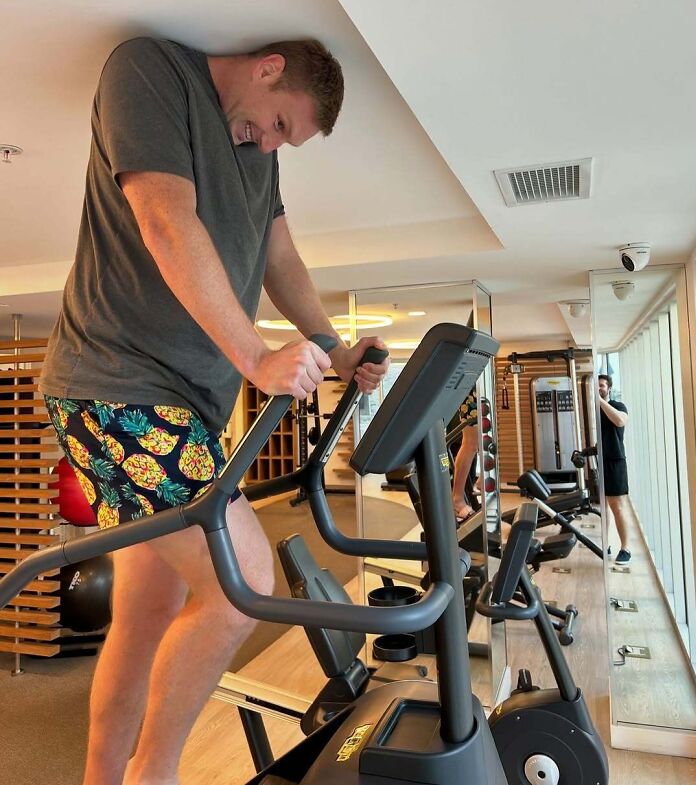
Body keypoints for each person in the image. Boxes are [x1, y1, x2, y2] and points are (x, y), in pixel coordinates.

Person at [38, 37, 389, 785]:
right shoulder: (150, 72)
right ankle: (153, 775)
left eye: (283, 140)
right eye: (276, 124)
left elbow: (279, 260)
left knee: (145, 614)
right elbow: (166, 221)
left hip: (182, 407)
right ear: (267, 69)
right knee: (242, 586)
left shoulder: (259, 154)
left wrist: (334, 347)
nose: (270, 143)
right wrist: (257, 356)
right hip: (117, 387)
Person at [598, 374, 634, 564]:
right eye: (596, 386)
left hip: (616, 462)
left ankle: (626, 548)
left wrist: (600, 402)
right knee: (603, 508)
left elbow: (620, 421)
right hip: (601, 462)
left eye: (602, 386)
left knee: (617, 507)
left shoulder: (618, 406)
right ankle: (606, 545)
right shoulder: (595, 410)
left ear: (609, 388)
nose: (599, 388)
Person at [449, 390, 479, 521]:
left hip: (481, 386)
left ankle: (480, 484)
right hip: (471, 390)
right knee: (470, 444)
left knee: (479, 443)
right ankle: (457, 499)